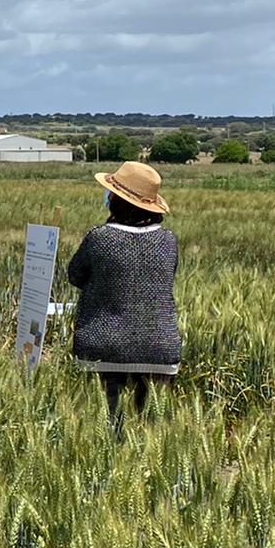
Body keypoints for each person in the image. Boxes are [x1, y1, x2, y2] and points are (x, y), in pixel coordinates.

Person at [68, 161, 181, 430]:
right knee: (148, 435)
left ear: (117, 200)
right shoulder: (169, 241)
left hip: (103, 347)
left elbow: (75, 275)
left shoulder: (100, 238)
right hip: (159, 349)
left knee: (102, 434)